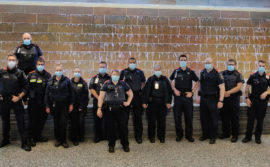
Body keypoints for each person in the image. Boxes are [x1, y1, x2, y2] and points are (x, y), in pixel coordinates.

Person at [97, 70, 133, 153]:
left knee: (123, 128)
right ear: (111, 75)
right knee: (110, 128)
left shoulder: (123, 83)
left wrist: (128, 102)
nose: (115, 76)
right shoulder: (106, 83)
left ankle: (125, 145)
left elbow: (131, 94)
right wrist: (99, 108)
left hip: (121, 109)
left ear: (119, 75)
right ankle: (111, 145)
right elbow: (101, 97)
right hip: (109, 110)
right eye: (113, 74)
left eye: (117, 74)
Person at [0, 54, 31, 151]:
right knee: (5, 121)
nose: (11, 61)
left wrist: (19, 97)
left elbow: (26, 87)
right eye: (9, 60)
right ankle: (6, 140)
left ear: (17, 62)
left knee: (21, 122)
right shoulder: (1, 72)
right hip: (3, 100)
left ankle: (24, 142)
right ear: (7, 60)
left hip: (16, 100)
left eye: (13, 60)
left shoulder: (20, 73)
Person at [169, 54, 200, 142]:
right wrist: (174, 89)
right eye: (181, 60)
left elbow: (198, 81)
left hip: (187, 97)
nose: (183, 61)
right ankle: (179, 135)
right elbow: (169, 80)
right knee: (177, 117)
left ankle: (189, 136)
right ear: (179, 61)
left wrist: (193, 92)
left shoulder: (190, 71)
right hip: (178, 97)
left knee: (189, 117)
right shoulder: (176, 71)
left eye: (184, 60)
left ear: (187, 61)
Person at [45, 64, 74, 148]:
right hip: (54, 105)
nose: (58, 72)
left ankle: (64, 141)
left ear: (62, 71)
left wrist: (71, 104)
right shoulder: (50, 81)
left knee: (63, 123)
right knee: (56, 123)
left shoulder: (67, 81)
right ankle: (57, 140)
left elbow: (72, 93)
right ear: (55, 71)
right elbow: (46, 94)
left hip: (64, 105)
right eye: (57, 70)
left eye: (60, 70)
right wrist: (47, 106)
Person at [242, 60, 270, 144]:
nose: (261, 67)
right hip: (253, 101)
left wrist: (267, 92)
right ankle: (248, 137)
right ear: (257, 66)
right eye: (260, 66)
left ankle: (258, 137)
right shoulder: (253, 76)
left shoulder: (268, 77)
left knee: (260, 120)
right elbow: (246, 88)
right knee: (250, 120)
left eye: (263, 66)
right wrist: (246, 98)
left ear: (265, 67)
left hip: (262, 102)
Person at [142, 65, 172, 143]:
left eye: (158, 69)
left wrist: (169, 102)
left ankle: (161, 137)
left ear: (161, 70)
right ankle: (151, 137)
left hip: (162, 103)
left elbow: (169, 91)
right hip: (152, 103)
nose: (157, 71)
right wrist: (144, 102)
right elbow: (145, 91)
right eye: (156, 70)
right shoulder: (150, 79)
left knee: (162, 121)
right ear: (154, 70)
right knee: (151, 121)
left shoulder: (165, 79)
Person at [198, 57, 225, 144]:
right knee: (204, 118)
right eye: (206, 62)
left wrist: (221, 101)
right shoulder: (202, 72)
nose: (207, 64)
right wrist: (198, 96)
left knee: (214, 119)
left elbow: (222, 88)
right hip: (203, 99)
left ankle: (213, 136)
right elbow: (200, 84)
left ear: (213, 64)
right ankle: (205, 134)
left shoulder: (217, 74)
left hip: (213, 99)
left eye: (209, 62)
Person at [120, 57, 145, 143]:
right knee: (124, 118)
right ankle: (124, 137)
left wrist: (142, 94)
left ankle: (139, 137)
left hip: (137, 96)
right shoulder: (123, 72)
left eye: (133, 62)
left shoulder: (140, 72)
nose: (132, 63)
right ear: (128, 63)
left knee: (138, 117)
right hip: (126, 97)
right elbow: (119, 84)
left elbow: (143, 82)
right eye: (130, 62)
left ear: (136, 63)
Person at [26, 57, 51, 147]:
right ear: (36, 65)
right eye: (39, 64)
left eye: (42, 64)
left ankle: (38, 136)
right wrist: (25, 100)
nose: (40, 66)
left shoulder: (48, 75)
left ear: (44, 65)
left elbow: (50, 90)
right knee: (32, 120)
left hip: (43, 102)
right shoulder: (31, 74)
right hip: (33, 101)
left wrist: (49, 103)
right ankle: (30, 138)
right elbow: (26, 87)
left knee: (41, 120)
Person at [220, 59, 244, 142]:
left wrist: (228, 92)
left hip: (234, 99)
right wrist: (223, 94)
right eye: (229, 64)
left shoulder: (238, 74)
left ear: (235, 65)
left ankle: (235, 135)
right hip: (224, 99)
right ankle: (226, 133)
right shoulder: (222, 73)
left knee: (234, 118)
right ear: (226, 65)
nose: (230, 66)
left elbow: (239, 86)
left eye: (232, 64)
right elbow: (219, 84)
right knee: (224, 117)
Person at [89, 61, 111, 143]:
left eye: (104, 67)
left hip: (107, 102)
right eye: (101, 67)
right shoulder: (94, 77)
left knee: (108, 119)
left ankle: (107, 136)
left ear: (106, 68)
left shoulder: (110, 77)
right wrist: (99, 98)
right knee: (97, 120)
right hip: (97, 101)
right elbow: (91, 88)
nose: (102, 68)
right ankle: (98, 137)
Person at [70, 67, 89, 146]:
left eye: (78, 72)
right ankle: (75, 139)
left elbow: (86, 96)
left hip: (82, 106)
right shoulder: (69, 82)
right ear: (73, 73)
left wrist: (82, 106)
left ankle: (81, 136)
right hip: (73, 106)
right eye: (75, 71)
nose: (77, 73)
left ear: (80, 73)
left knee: (81, 122)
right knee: (74, 122)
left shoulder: (84, 83)